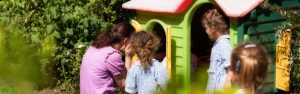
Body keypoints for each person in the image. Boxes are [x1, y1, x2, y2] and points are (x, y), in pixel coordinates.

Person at [80, 22, 135, 94]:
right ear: (126, 41)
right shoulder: (112, 56)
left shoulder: (93, 47)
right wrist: (129, 58)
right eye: (133, 41)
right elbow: (125, 86)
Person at [202, 7, 232, 94]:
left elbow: (230, 64)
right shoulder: (219, 43)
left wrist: (228, 81)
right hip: (214, 82)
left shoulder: (224, 43)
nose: (206, 31)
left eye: (206, 28)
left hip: (219, 85)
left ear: (213, 28)